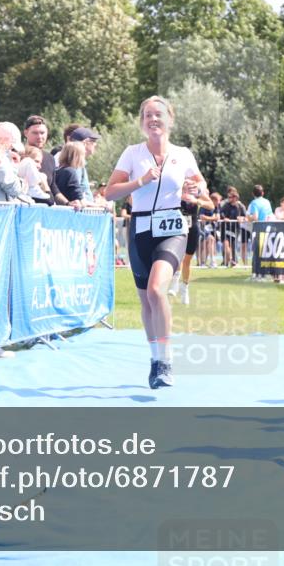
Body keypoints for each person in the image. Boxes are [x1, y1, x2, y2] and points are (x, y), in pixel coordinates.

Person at [105, 96, 206, 389]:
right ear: (142, 122)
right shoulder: (132, 154)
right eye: (148, 115)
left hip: (172, 228)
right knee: (145, 302)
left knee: (155, 290)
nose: (153, 119)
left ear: (170, 119)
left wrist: (195, 186)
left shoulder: (183, 154)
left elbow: (202, 184)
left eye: (158, 115)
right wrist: (140, 182)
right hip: (139, 229)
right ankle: (155, 360)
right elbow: (110, 192)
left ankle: (166, 359)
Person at [169, 189, 214, 305]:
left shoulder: (197, 191)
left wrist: (198, 201)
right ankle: (174, 283)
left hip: (192, 228)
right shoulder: (175, 188)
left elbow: (211, 205)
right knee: (177, 256)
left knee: (187, 260)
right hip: (176, 228)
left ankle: (184, 289)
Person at [24, 115, 63, 204]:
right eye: (35, 133)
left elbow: (53, 187)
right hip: (25, 209)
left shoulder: (50, 158)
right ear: (26, 133)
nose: (39, 137)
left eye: (42, 133)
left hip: (45, 210)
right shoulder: (20, 155)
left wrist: (68, 203)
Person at [55, 141, 88, 208]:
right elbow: (78, 196)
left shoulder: (58, 171)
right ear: (77, 156)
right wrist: (100, 205)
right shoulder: (70, 172)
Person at [219, 187, 246, 267]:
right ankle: (228, 260)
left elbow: (245, 216)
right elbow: (221, 213)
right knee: (226, 244)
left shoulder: (240, 206)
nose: (229, 199)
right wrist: (224, 218)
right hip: (225, 228)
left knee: (233, 245)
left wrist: (242, 218)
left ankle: (233, 261)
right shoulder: (226, 205)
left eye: (231, 197)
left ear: (236, 198)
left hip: (235, 229)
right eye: (229, 197)